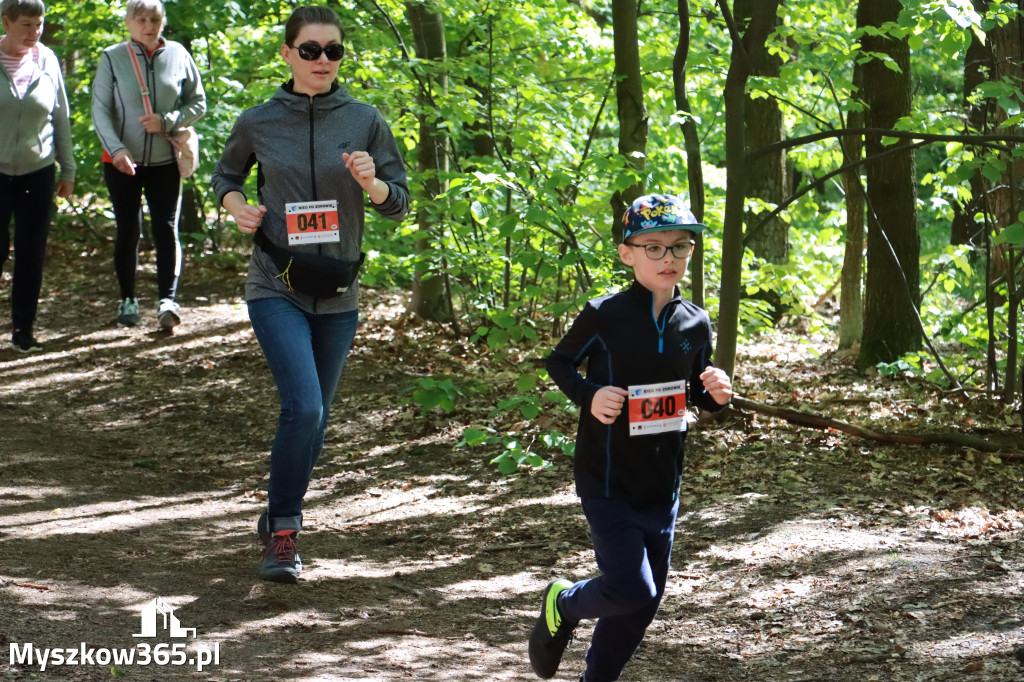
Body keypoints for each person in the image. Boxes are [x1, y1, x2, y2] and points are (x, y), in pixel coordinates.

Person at [211, 5, 409, 584]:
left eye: (334, 51)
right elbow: (225, 177)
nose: (323, 60)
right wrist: (237, 208)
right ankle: (284, 533)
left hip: (340, 292)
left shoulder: (365, 119)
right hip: (276, 284)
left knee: (314, 421)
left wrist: (372, 184)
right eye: (311, 50)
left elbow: (399, 202)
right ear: (288, 54)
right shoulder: (259, 120)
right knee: (305, 407)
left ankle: (276, 504)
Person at [529, 194, 733, 681]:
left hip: (662, 485)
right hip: (607, 478)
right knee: (630, 588)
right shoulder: (605, 314)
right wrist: (588, 394)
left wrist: (717, 395)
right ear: (627, 253)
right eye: (654, 248)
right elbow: (559, 363)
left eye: (680, 248)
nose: (668, 259)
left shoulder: (695, 322)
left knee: (643, 604)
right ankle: (564, 601)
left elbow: (692, 392)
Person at [91, 0, 205, 330]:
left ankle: (167, 299)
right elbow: (100, 110)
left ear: (163, 21)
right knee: (129, 229)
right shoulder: (112, 57)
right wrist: (116, 149)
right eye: (140, 19)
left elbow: (198, 103)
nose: (148, 25)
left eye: (154, 19)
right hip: (122, 161)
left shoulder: (179, 55)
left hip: (165, 160)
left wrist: (168, 120)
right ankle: (128, 299)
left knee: (166, 228)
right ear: (128, 22)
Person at [0, 0, 74, 353]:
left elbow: (60, 117)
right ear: (6, 22)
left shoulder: (47, 60)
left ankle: (23, 329)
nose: (35, 32)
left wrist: (69, 168)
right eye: (27, 24)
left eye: (39, 24)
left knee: (31, 252)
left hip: (38, 171)